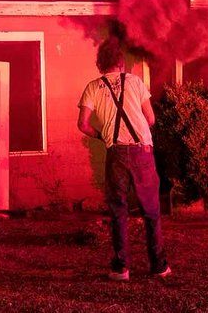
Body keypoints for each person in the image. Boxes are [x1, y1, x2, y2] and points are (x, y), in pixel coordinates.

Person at [77, 38, 170, 282]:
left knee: (118, 211)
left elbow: (82, 125)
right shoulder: (136, 82)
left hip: (115, 153)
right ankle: (158, 265)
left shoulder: (92, 87)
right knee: (151, 211)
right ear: (120, 62)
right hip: (142, 152)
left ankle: (121, 268)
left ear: (100, 63)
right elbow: (150, 119)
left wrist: (103, 135)